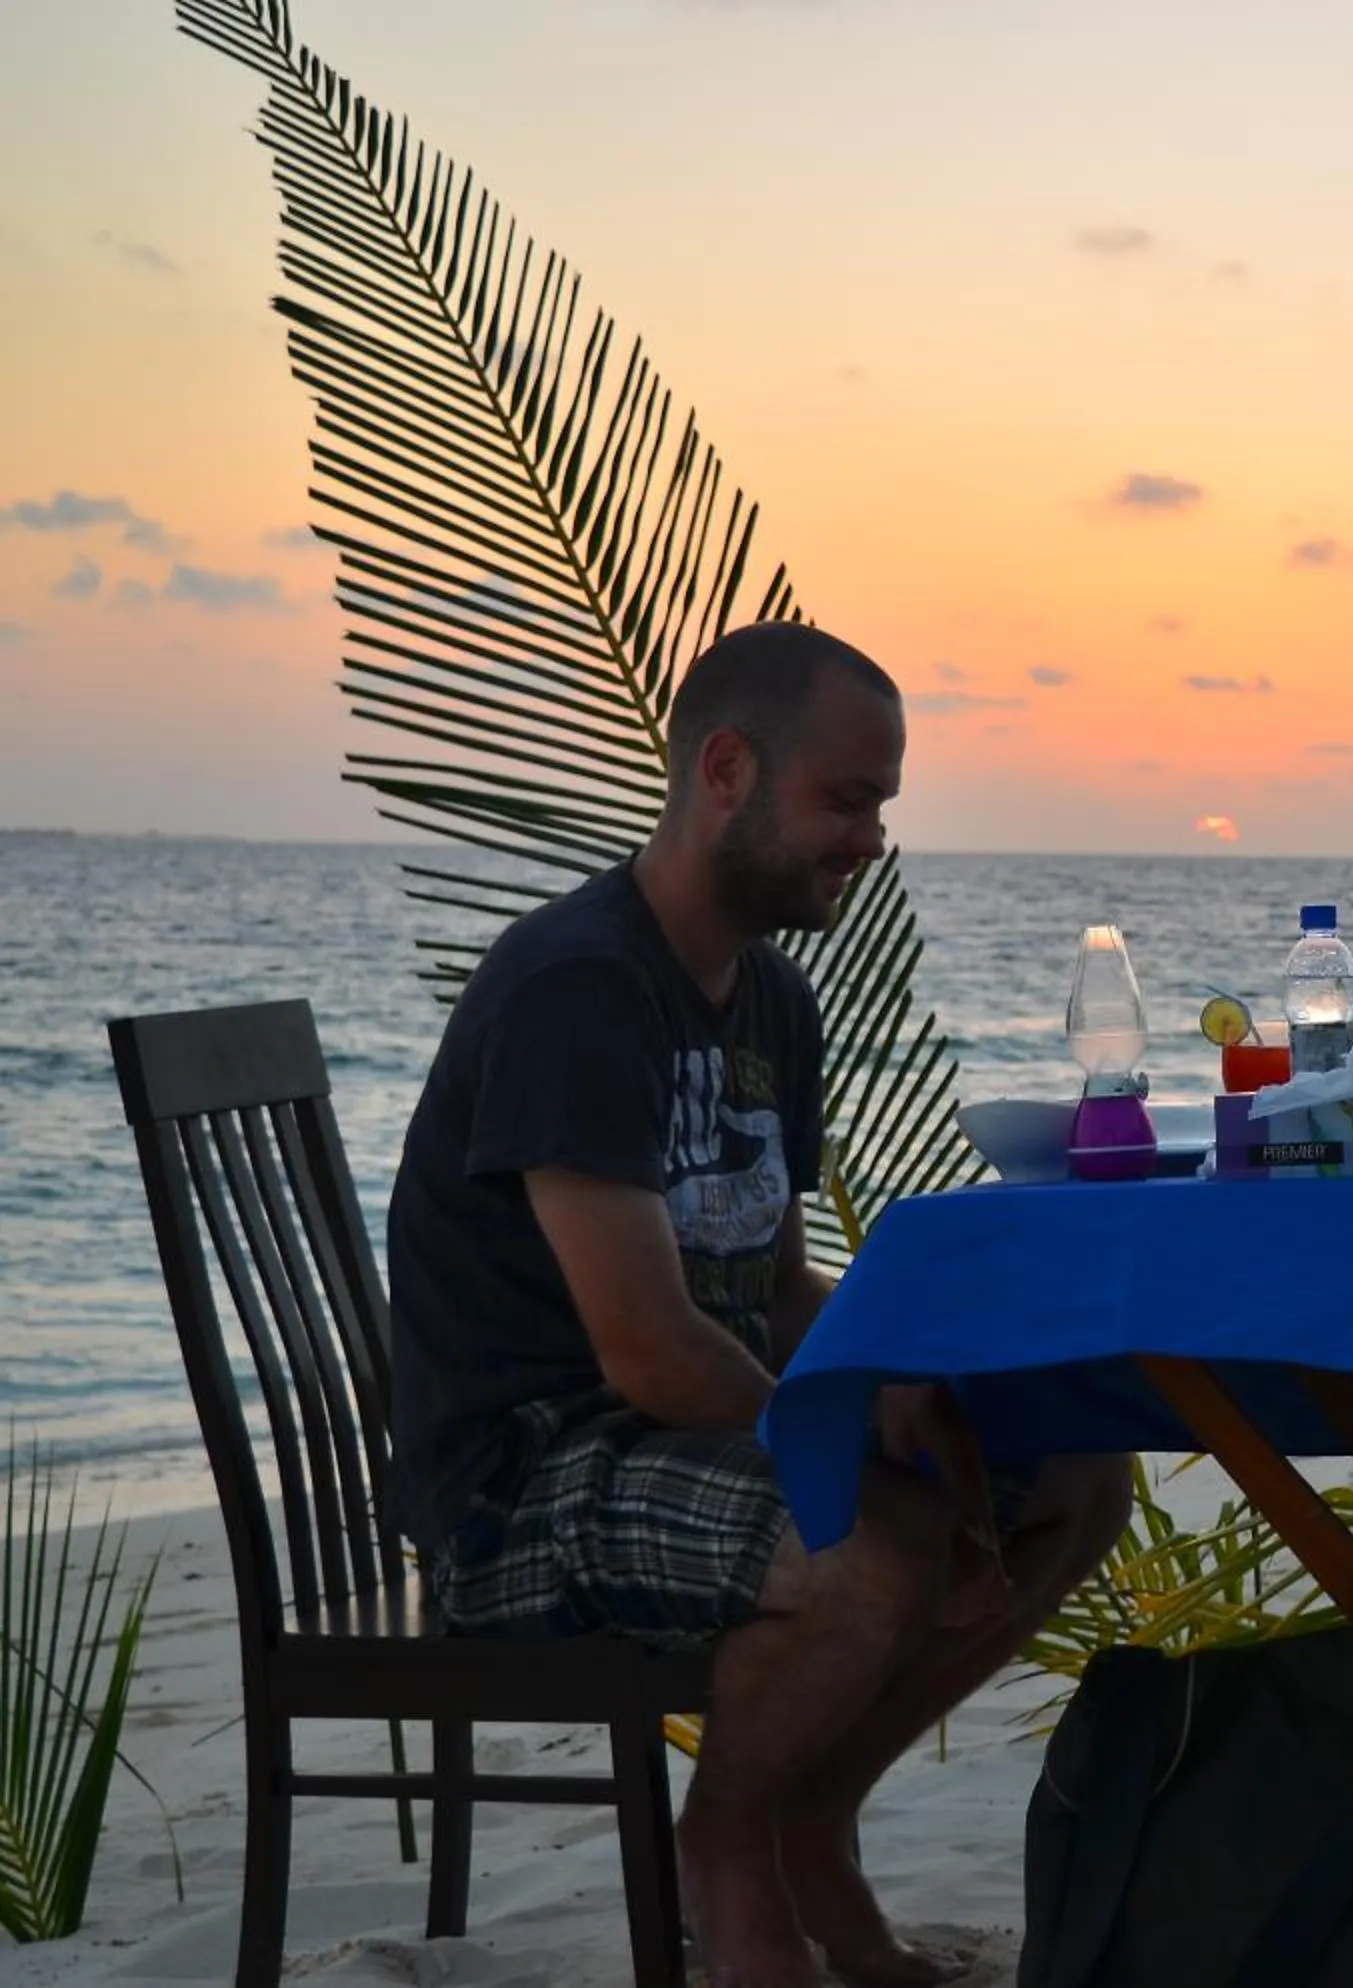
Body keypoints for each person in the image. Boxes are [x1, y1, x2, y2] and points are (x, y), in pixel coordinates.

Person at [385, 621, 1132, 1988]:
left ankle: (813, 1812)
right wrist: (848, 1430)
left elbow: (775, 1287)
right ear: (725, 770)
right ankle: (729, 1850)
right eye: (846, 801)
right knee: (871, 1533)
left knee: (1076, 1474)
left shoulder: (772, 1001)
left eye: (881, 807)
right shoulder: (576, 989)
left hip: (681, 1446)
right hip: (527, 1477)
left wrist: (903, 1376)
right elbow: (647, 1346)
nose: (870, 842)